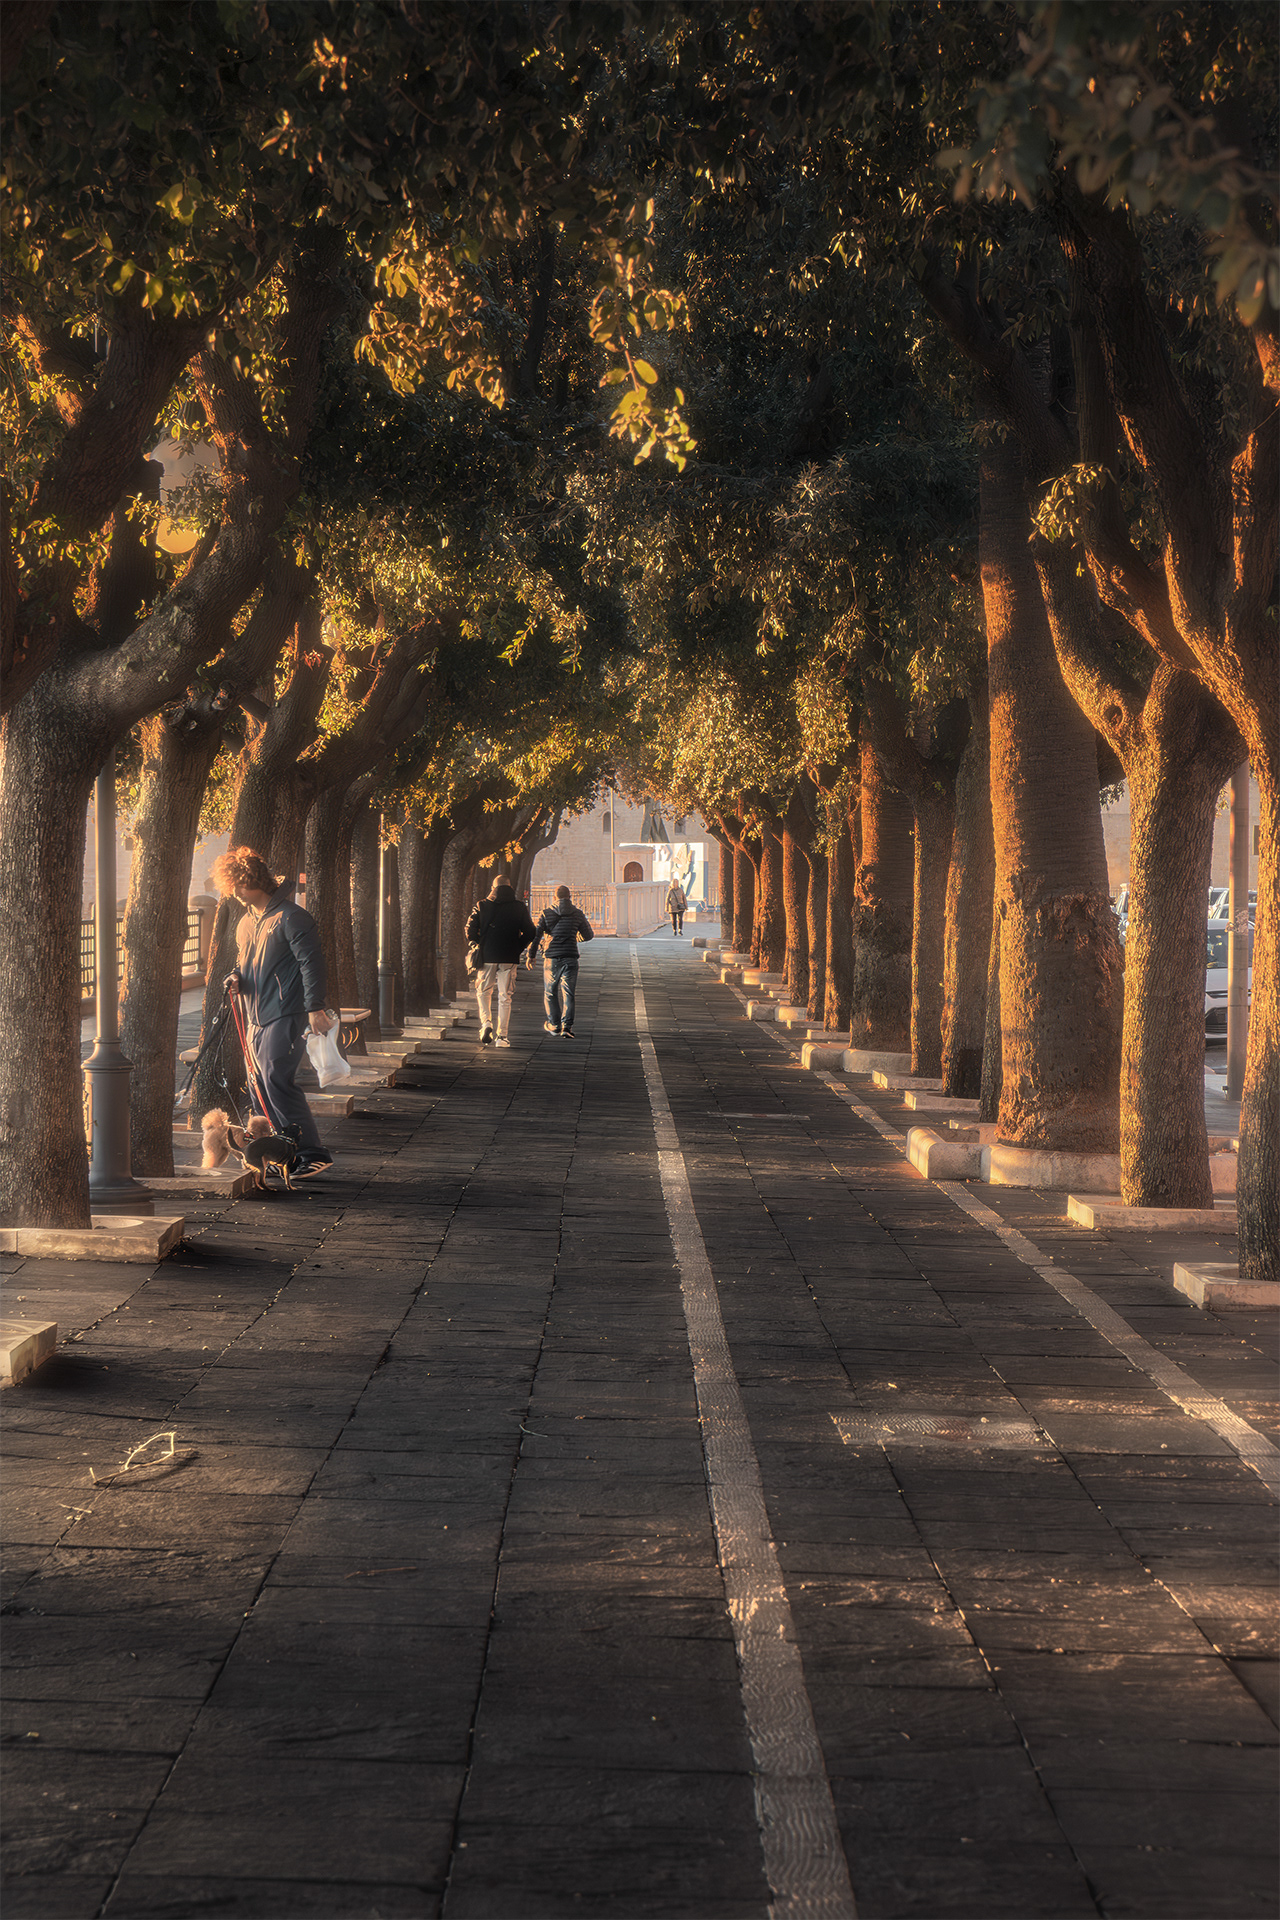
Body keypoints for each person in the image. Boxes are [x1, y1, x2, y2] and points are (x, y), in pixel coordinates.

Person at [211, 847, 335, 1179]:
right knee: (259, 1087)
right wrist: (234, 978)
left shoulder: (292, 917)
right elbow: (243, 964)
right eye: (232, 886)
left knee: (278, 1081)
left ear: (254, 881)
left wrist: (315, 1008)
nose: (235, 893)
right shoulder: (247, 922)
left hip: (287, 1012)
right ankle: (286, 1154)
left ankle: (312, 1153)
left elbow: (312, 965)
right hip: (255, 1017)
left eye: (239, 885)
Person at [465, 876, 537, 1046]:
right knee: (505, 997)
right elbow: (530, 931)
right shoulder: (519, 907)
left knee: (483, 991)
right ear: (510, 886)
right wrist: (517, 947)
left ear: (493, 887)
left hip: (487, 955)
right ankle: (502, 1037)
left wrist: (475, 943)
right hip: (508, 956)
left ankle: (486, 1023)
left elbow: (470, 927)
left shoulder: (482, 905)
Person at [528, 884, 593, 1037]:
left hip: (552, 958)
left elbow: (536, 936)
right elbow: (589, 935)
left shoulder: (546, 913)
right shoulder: (577, 914)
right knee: (568, 993)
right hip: (570, 957)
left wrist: (531, 956)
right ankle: (567, 1027)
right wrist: (575, 938)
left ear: (555, 897)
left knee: (550, 992)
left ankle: (554, 1024)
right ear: (569, 897)